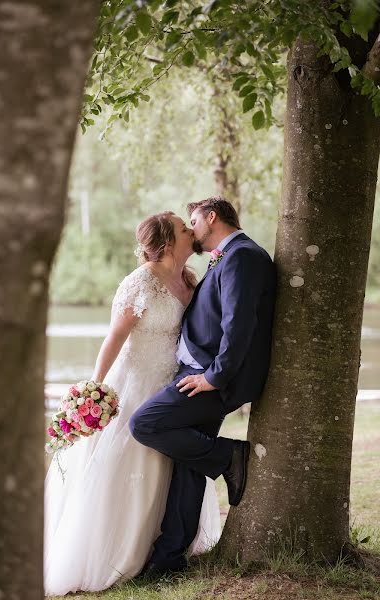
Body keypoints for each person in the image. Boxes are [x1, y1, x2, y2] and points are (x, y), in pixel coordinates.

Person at [44, 211, 221, 596]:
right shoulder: (139, 283)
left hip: (172, 382)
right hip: (136, 382)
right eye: (182, 227)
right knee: (129, 458)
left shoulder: (189, 279)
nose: (191, 231)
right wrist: (95, 388)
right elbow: (114, 339)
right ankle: (120, 551)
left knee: (166, 462)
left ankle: (167, 543)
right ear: (167, 241)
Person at [130, 196, 277, 576]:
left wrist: (214, 377)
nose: (191, 229)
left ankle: (230, 457)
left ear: (211, 218)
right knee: (189, 465)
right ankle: (169, 558)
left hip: (214, 379)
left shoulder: (242, 256)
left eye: (193, 220)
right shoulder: (227, 257)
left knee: (144, 424)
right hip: (201, 373)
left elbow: (238, 324)